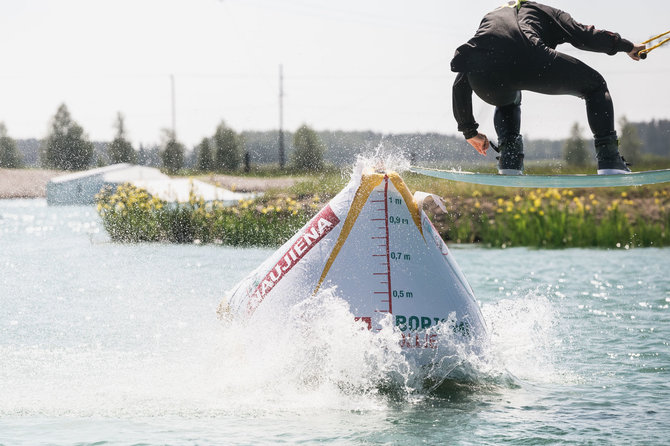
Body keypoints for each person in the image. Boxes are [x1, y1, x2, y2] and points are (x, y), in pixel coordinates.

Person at [451, 0, 646, 175]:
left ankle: (509, 159)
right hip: (531, 56)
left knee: (508, 98)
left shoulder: (491, 16)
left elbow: (462, 76)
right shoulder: (544, 11)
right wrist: (627, 46)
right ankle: (609, 159)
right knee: (595, 85)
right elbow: (585, 36)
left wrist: (469, 131)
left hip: (486, 80)